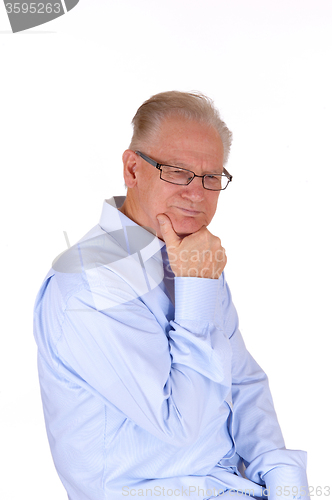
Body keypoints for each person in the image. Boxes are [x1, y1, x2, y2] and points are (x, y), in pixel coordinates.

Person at [34, 91, 309, 500]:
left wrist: (284, 481)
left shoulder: (190, 256)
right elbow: (182, 426)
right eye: (178, 171)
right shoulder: (89, 285)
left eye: (212, 177)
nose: (197, 193)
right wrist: (198, 286)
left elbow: (244, 384)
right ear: (132, 169)